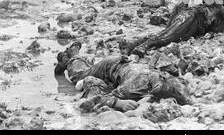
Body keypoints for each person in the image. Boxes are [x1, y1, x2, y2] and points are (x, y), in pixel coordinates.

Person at [54, 42, 190, 113]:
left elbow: (184, 93)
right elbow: (98, 99)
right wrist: (119, 103)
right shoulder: (135, 86)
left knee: (89, 71)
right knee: (79, 76)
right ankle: (71, 55)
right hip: (111, 65)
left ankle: (75, 60)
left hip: (130, 67)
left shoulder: (174, 83)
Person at [122, 2, 224, 57]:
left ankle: (134, 45)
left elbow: (215, 28)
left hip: (195, 27)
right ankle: (140, 46)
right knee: (169, 35)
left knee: (168, 37)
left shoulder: (220, 22)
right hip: (191, 16)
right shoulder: (217, 5)